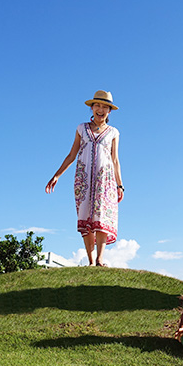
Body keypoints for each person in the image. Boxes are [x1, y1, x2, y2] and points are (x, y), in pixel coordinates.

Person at [45, 90, 124, 267]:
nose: (101, 109)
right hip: (83, 178)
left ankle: (100, 259)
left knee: (103, 216)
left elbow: (115, 159)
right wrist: (57, 175)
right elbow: (72, 154)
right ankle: (90, 260)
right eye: (97, 105)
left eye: (105, 107)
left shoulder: (113, 132)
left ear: (109, 111)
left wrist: (120, 185)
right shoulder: (81, 128)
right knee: (85, 215)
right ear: (92, 108)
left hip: (105, 180)